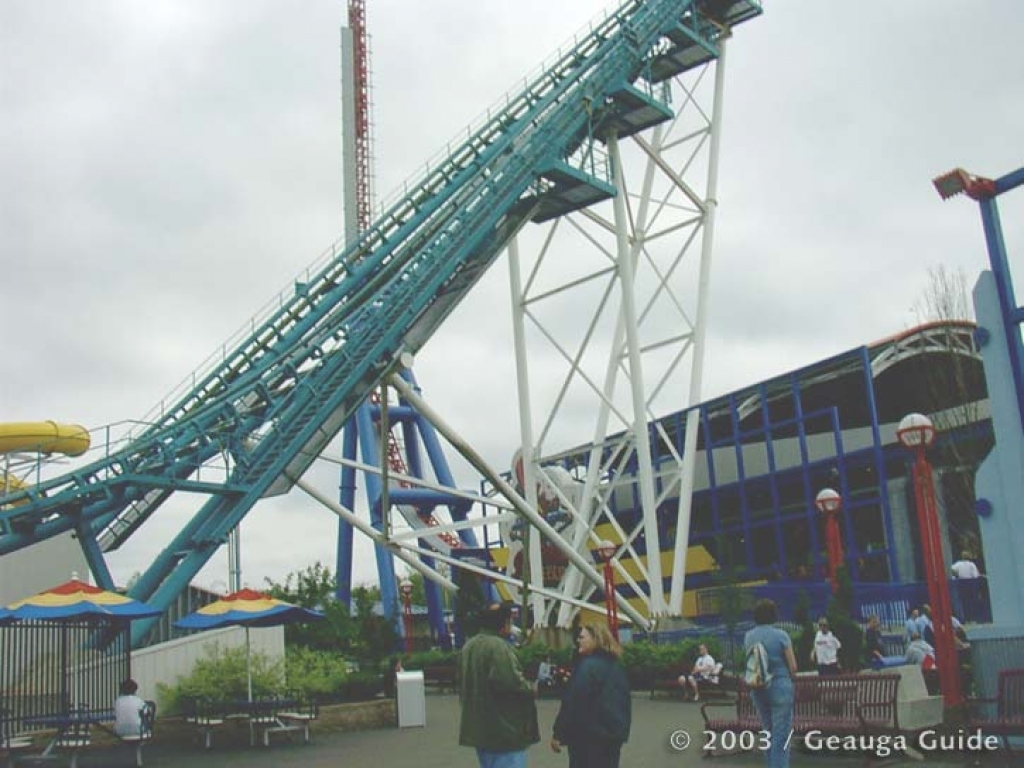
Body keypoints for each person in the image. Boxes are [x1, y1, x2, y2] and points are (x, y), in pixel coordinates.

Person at [459, 602, 539, 768]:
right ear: (503, 624)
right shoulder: (498, 647)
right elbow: (510, 683)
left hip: (480, 729)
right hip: (504, 730)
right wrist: (532, 688)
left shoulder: (469, 646)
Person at [551, 622, 631, 768]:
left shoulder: (587, 667)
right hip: (613, 736)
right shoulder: (616, 666)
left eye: (582, 637)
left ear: (596, 639)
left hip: (588, 738)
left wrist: (558, 733)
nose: (578, 640)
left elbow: (573, 702)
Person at [744, 599, 798, 768]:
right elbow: (793, 667)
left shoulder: (749, 636)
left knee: (768, 731)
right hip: (780, 686)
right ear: (773, 615)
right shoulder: (781, 635)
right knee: (781, 734)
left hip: (758, 687)